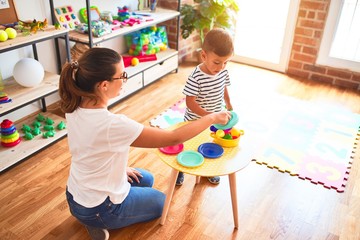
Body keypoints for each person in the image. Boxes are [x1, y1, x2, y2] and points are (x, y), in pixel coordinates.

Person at [59, 47, 231, 240]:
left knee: (146, 179)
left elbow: (91, 150)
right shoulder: (113, 125)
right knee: (162, 202)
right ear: (104, 85)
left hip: (74, 196)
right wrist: (212, 117)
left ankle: (93, 218)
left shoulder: (73, 106)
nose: (125, 79)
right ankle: (96, 222)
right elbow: (173, 137)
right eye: (121, 76)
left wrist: (120, 170)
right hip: (99, 207)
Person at [176, 28, 234, 186]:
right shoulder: (196, 76)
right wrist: (209, 116)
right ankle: (179, 171)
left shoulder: (222, 71)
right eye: (217, 62)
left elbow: (224, 87)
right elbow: (190, 102)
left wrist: (228, 104)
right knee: (188, 145)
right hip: (194, 120)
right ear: (204, 55)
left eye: (226, 62)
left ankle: (208, 171)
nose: (221, 67)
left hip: (214, 119)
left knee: (210, 145)